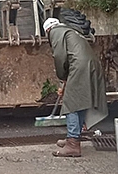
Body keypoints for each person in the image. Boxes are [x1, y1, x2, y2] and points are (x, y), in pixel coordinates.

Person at [43, 18, 108, 157]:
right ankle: (73, 136)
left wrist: (62, 77)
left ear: (47, 30)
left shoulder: (55, 32)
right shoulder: (70, 31)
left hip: (80, 66)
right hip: (92, 64)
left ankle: (73, 144)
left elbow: (60, 56)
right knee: (80, 100)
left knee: (71, 102)